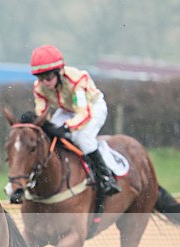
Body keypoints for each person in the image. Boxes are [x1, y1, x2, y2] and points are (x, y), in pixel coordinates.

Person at [29, 44, 121, 196]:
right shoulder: (39, 87)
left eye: (49, 77)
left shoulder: (76, 80)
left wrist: (66, 128)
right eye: (40, 78)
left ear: (59, 71)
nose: (45, 82)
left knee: (81, 138)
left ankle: (106, 177)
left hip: (92, 107)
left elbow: (83, 113)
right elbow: (42, 114)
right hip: (67, 110)